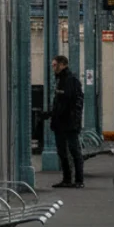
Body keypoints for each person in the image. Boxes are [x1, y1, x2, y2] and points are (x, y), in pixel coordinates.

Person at [47, 55, 85, 189]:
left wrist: (74, 119)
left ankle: (79, 180)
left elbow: (73, 103)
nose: (53, 67)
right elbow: (60, 103)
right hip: (60, 123)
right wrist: (51, 114)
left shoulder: (71, 80)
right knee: (62, 152)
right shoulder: (60, 80)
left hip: (70, 123)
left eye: (55, 65)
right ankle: (67, 179)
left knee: (74, 151)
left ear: (63, 65)